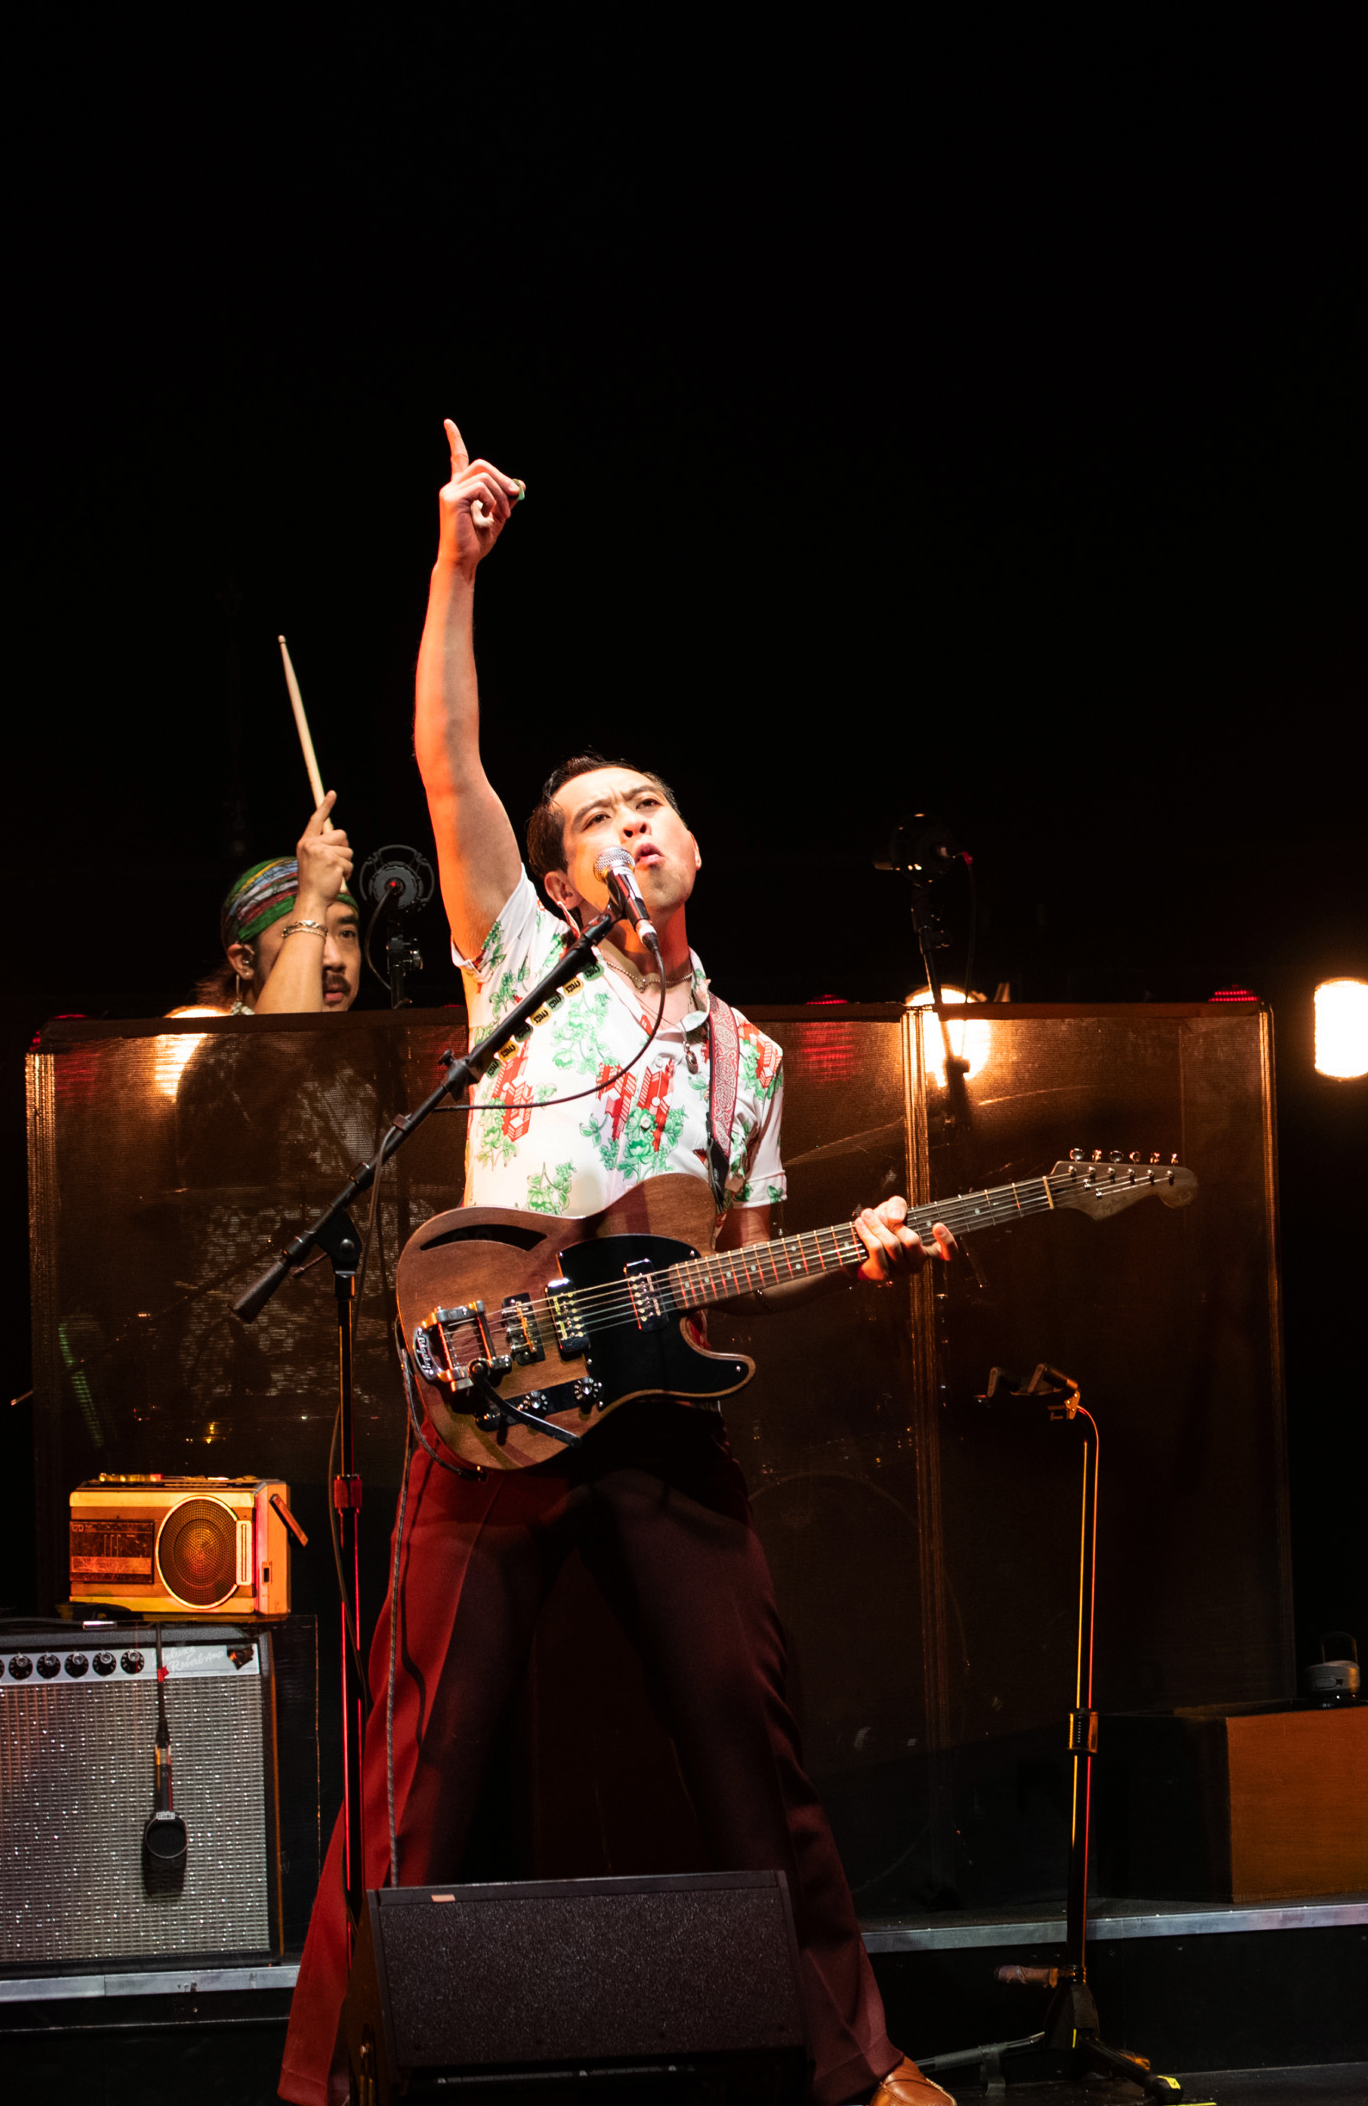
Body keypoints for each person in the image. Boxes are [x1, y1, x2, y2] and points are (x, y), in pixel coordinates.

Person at [274, 423, 960, 2106]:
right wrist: (456, 565)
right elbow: (447, 760)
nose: (632, 829)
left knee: (753, 1739)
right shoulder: (523, 963)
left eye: (651, 806)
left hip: (660, 1420)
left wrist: (838, 1253)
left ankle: (851, 2060)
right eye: (598, 818)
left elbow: (740, 1260)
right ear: (561, 869)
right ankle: (332, 2079)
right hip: (502, 1393)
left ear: (694, 844)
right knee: (418, 1755)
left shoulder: (747, 1057)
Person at [193, 795, 362, 1013]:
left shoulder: (371, 1044)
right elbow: (283, 1045)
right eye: (296, 932)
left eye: (346, 934)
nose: (335, 959)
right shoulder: (210, 1043)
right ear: (245, 961)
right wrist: (311, 900)